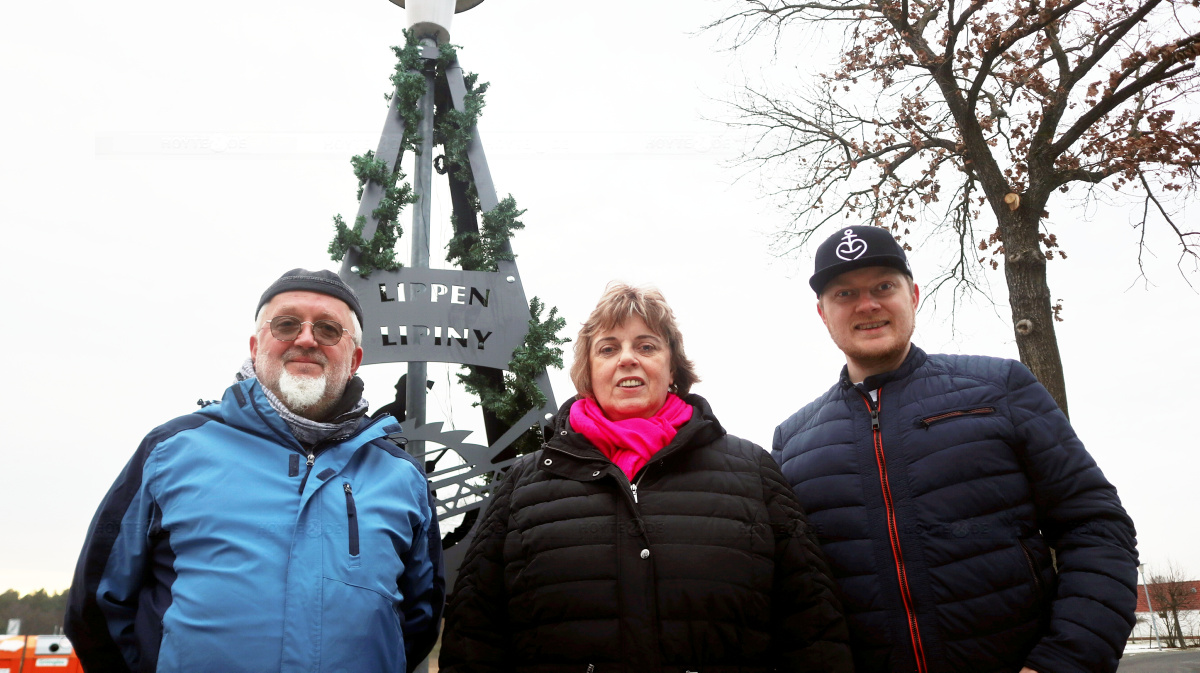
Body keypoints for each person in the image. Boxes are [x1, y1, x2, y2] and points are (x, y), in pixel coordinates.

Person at [774, 226, 1139, 673]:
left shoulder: (1001, 388)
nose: (867, 305)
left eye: (884, 286)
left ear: (915, 295)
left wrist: (1064, 661)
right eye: (844, 292)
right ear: (822, 313)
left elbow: (1097, 527)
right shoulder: (792, 443)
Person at [439, 283, 854, 673]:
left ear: (672, 368)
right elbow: (474, 637)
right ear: (588, 374)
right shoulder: (523, 487)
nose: (627, 358)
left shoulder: (752, 472)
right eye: (608, 348)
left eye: (646, 345)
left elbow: (813, 628)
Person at [65, 268, 444, 673]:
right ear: (255, 345)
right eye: (286, 324)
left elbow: (418, 621)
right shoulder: (170, 451)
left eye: (329, 330)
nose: (306, 338)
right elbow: (98, 604)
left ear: (354, 359)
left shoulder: (401, 477)